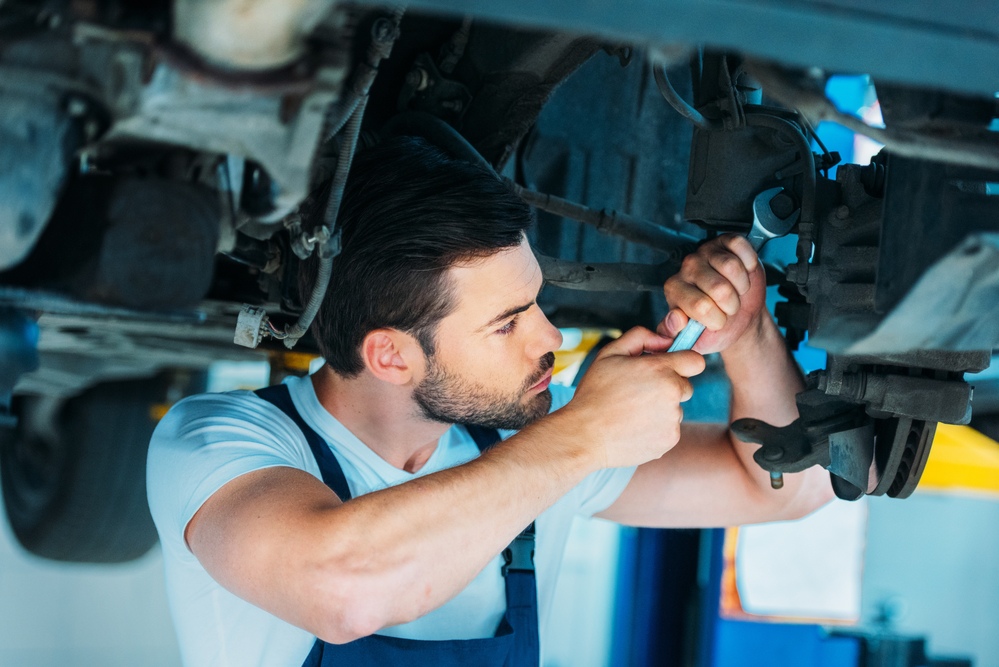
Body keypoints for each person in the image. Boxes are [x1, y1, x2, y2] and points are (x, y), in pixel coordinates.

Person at [147, 136, 833, 667]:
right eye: (506, 322)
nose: (551, 336)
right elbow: (344, 590)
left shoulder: (533, 443)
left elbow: (787, 490)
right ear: (391, 355)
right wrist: (585, 433)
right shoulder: (220, 442)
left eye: (535, 301)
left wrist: (745, 334)